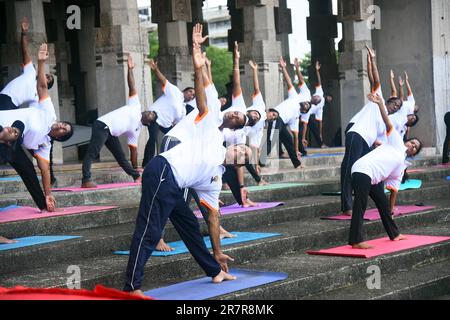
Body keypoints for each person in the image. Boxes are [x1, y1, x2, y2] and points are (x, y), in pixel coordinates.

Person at [124, 24, 240, 296]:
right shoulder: (211, 130)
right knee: (151, 230)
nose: (238, 152)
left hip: (175, 185)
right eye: (238, 149)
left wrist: (219, 255)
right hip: (163, 170)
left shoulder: (215, 179)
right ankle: (131, 287)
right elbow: (201, 103)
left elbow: (212, 218)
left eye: (240, 155)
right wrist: (198, 66)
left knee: (189, 225)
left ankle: (214, 271)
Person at [0, 44, 73, 213]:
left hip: (11, 144)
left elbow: (45, 170)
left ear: (60, 138)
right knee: (18, 128)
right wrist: (41, 63)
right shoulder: (49, 114)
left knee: (28, 169)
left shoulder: (45, 146)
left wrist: (48, 194)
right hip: (3, 125)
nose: (62, 125)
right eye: (64, 124)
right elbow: (41, 87)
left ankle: (42, 204)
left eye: (64, 130)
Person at [349, 92, 422, 249]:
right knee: (360, 204)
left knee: (383, 203)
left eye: (415, 147)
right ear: (407, 142)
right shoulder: (397, 142)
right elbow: (388, 122)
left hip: (372, 177)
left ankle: (394, 234)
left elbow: (394, 190)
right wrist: (380, 104)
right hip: (362, 170)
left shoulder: (402, 166)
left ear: (414, 153)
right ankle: (356, 240)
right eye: (412, 142)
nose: (412, 145)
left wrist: (391, 208)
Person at [340, 46, 403, 217]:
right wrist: (372, 59)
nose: (395, 106)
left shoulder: (386, 123)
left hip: (367, 142)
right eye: (394, 103)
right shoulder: (378, 98)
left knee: (370, 171)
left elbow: (382, 143)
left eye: (397, 107)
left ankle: (382, 205)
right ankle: (347, 205)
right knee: (348, 167)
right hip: (356, 133)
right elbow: (374, 78)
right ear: (388, 100)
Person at [81, 55, 154, 188]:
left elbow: (133, 151)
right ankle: (86, 180)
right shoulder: (135, 106)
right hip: (102, 125)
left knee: (120, 156)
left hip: (111, 133)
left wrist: (136, 167)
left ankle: (136, 176)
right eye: (150, 111)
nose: (149, 112)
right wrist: (130, 69)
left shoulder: (136, 131)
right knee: (93, 152)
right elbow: (132, 86)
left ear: (148, 123)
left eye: (151, 115)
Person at [142, 60, 195, 168]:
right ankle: (146, 164)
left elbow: (178, 124)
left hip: (166, 124)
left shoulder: (183, 110)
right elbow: (163, 80)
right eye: (190, 92)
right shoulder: (175, 91)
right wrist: (155, 69)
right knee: (153, 138)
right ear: (184, 91)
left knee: (176, 138)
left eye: (193, 95)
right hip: (155, 117)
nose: (191, 95)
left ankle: (173, 160)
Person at [0, 17, 54, 111]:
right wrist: (24, 33)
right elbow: (25, 52)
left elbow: (35, 110)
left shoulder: (38, 95)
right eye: (48, 74)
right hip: (5, 97)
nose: (46, 75)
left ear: (47, 85)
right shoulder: (31, 73)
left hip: (14, 106)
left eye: (48, 78)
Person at [266, 57, 307, 169]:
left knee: (289, 141)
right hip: (276, 116)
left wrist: (297, 150)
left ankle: (297, 164)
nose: (306, 105)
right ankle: (259, 163)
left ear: (304, 111)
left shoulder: (296, 118)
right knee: (271, 140)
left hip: (282, 122)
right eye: (306, 103)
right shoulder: (295, 97)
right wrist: (283, 68)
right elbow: (289, 82)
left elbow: (296, 136)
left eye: (307, 107)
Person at [299, 61, 328, 152]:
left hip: (295, 115)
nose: (314, 97)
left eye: (315, 100)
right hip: (280, 114)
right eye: (315, 97)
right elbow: (301, 81)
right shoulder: (309, 93)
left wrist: (320, 135)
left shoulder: (310, 110)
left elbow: (307, 125)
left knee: (306, 128)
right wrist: (317, 71)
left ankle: (302, 145)